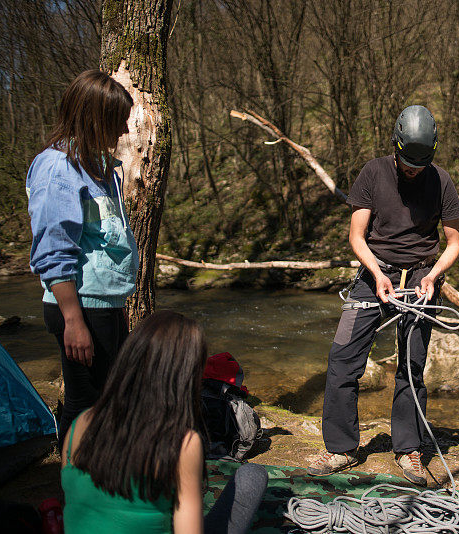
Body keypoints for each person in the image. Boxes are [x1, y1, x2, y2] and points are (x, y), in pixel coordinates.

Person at [307, 105, 459, 485]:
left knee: (412, 367)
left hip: (422, 277)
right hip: (373, 274)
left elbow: (454, 241)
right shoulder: (373, 172)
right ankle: (341, 448)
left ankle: (409, 451)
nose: (413, 170)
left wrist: (434, 276)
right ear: (395, 146)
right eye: (408, 162)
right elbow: (357, 235)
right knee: (343, 357)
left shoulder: (441, 181)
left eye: (420, 163)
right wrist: (376, 274)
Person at [62, 310, 268, 534]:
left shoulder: (81, 422)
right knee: (253, 476)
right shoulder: (182, 443)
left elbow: (73, 505)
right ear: (185, 377)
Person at [26, 70, 139, 443]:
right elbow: (53, 248)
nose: (123, 131)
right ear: (95, 118)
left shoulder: (101, 168)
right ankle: (73, 494)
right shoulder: (57, 168)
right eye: (117, 121)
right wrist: (73, 320)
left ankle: (99, 485)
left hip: (104, 304)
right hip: (79, 308)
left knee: (109, 400)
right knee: (85, 406)